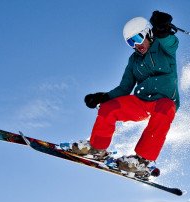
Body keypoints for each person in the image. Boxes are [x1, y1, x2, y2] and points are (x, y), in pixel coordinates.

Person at [70, 11, 179, 175]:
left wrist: (162, 30)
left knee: (165, 108)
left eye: (137, 39)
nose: (136, 45)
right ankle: (97, 148)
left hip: (163, 101)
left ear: (148, 34)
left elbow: (171, 42)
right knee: (108, 108)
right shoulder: (134, 60)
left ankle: (142, 160)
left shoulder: (163, 46)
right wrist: (103, 97)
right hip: (141, 102)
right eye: (130, 42)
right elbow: (124, 88)